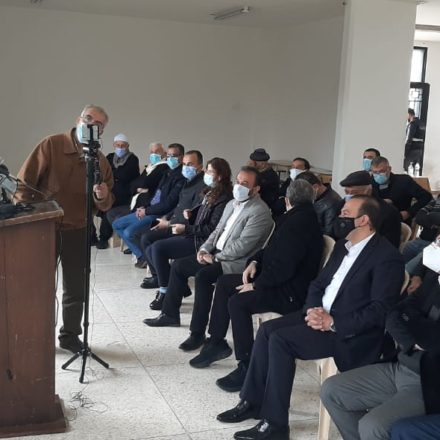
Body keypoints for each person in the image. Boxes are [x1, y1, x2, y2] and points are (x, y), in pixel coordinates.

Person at [216, 195, 404, 440]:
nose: (339, 218)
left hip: (349, 332)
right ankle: (253, 401)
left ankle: (275, 425)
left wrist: (332, 322)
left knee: (281, 340)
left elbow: (380, 309)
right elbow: (318, 284)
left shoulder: (386, 257)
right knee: (267, 330)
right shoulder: (343, 246)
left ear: (364, 220)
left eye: (345, 214)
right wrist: (313, 309)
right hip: (320, 314)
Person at [188, 180, 323, 392]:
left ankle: (247, 364)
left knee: (238, 303)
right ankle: (216, 342)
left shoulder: (300, 223)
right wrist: (254, 262)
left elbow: (285, 267)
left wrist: (257, 285)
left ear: (287, 200)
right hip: (277, 281)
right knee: (224, 283)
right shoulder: (294, 217)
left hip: (289, 292)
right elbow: (270, 250)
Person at [16, 104, 114, 353]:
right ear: (78, 119)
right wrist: (26, 220)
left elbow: (106, 203)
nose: (91, 125)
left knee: (76, 288)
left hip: (78, 229)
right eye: (88, 119)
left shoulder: (100, 161)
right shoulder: (52, 145)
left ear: (102, 132)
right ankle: (36, 336)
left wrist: (102, 196)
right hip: (43, 229)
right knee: (39, 286)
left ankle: (70, 336)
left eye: (98, 124)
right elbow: (24, 184)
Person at [144, 166, 274, 352]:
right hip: (216, 253)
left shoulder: (260, 211)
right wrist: (205, 249)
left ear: (256, 189)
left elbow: (243, 246)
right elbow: (216, 232)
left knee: (203, 276)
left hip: (236, 262)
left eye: (245, 184)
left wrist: (215, 257)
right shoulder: (232, 204)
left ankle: (197, 333)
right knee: (179, 266)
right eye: (238, 181)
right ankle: (170, 314)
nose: (239, 186)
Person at [320, 240, 440, 440]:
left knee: (373, 425)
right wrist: (411, 340)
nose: (436, 245)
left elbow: (432, 340)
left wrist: (413, 323)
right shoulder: (434, 278)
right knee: (332, 391)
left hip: (429, 383)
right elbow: (395, 312)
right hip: (403, 364)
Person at [112, 144, 186, 267]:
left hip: (161, 215)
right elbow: (157, 195)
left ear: (182, 157)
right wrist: (144, 207)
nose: (170, 158)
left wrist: (147, 211)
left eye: (174, 156)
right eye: (168, 155)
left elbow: (168, 204)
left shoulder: (181, 177)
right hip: (151, 209)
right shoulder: (167, 172)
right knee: (117, 224)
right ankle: (142, 256)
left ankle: (146, 257)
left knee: (129, 232)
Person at [106, 142, 168, 231]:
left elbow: (146, 182)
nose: (154, 154)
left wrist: (140, 186)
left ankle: (130, 235)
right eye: (152, 152)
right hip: (134, 204)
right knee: (111, 213)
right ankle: (125, 235)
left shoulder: (164, 167)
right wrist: (138, 188)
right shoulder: (150, 167)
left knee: (118, 220)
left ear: (165, 153)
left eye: (157, 152)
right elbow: (134, 184)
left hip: (144, 206)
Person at [94, 133, 140, 249]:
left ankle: (104, 238)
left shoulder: (132, 159)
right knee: (100, 203)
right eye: (118, 145)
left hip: (124, 193)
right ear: (114, 145)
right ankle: (98, 237)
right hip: (109, 190)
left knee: (109, 209)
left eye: (123, 145)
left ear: (127, 146)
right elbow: (103, 172)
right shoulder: (109, 157)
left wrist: (113, 175)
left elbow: (125, 175)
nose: (120, 148)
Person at [337, 170, 401, 248]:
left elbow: (389, 246)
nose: (349, 196)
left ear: (368, 191)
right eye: (347, 192)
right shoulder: (342, 206)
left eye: (355, 193)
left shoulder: (388, 213)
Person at [371, 156, 432, 224]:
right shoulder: (369, 183)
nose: (378, 175)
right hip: (375, 223)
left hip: (400, 222)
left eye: (381, 171)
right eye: (375, 172)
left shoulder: (403, 181)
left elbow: (426, 197)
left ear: (389, 169)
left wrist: (409, 212)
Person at [295, 171, 341, 236]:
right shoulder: (317, 197)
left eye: (304, 192)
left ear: (315, 187)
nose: (303, 195)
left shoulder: (332, 203)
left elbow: (329, 233)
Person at [403, 196, 440, 274]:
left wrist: (429, 216)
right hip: (421, 240)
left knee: (407, 270)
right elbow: (419, 217)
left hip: (435, 247)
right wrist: (434, 220)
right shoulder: (437, 199)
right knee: (397, 257)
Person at [404, 108, 424, 172]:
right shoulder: (421, 123)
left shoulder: (413, 123)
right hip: (420, 149)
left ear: (409, 114)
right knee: (416, 170)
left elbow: (409, 138)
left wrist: (405, 151)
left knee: (407, 168)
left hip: (412, 148)